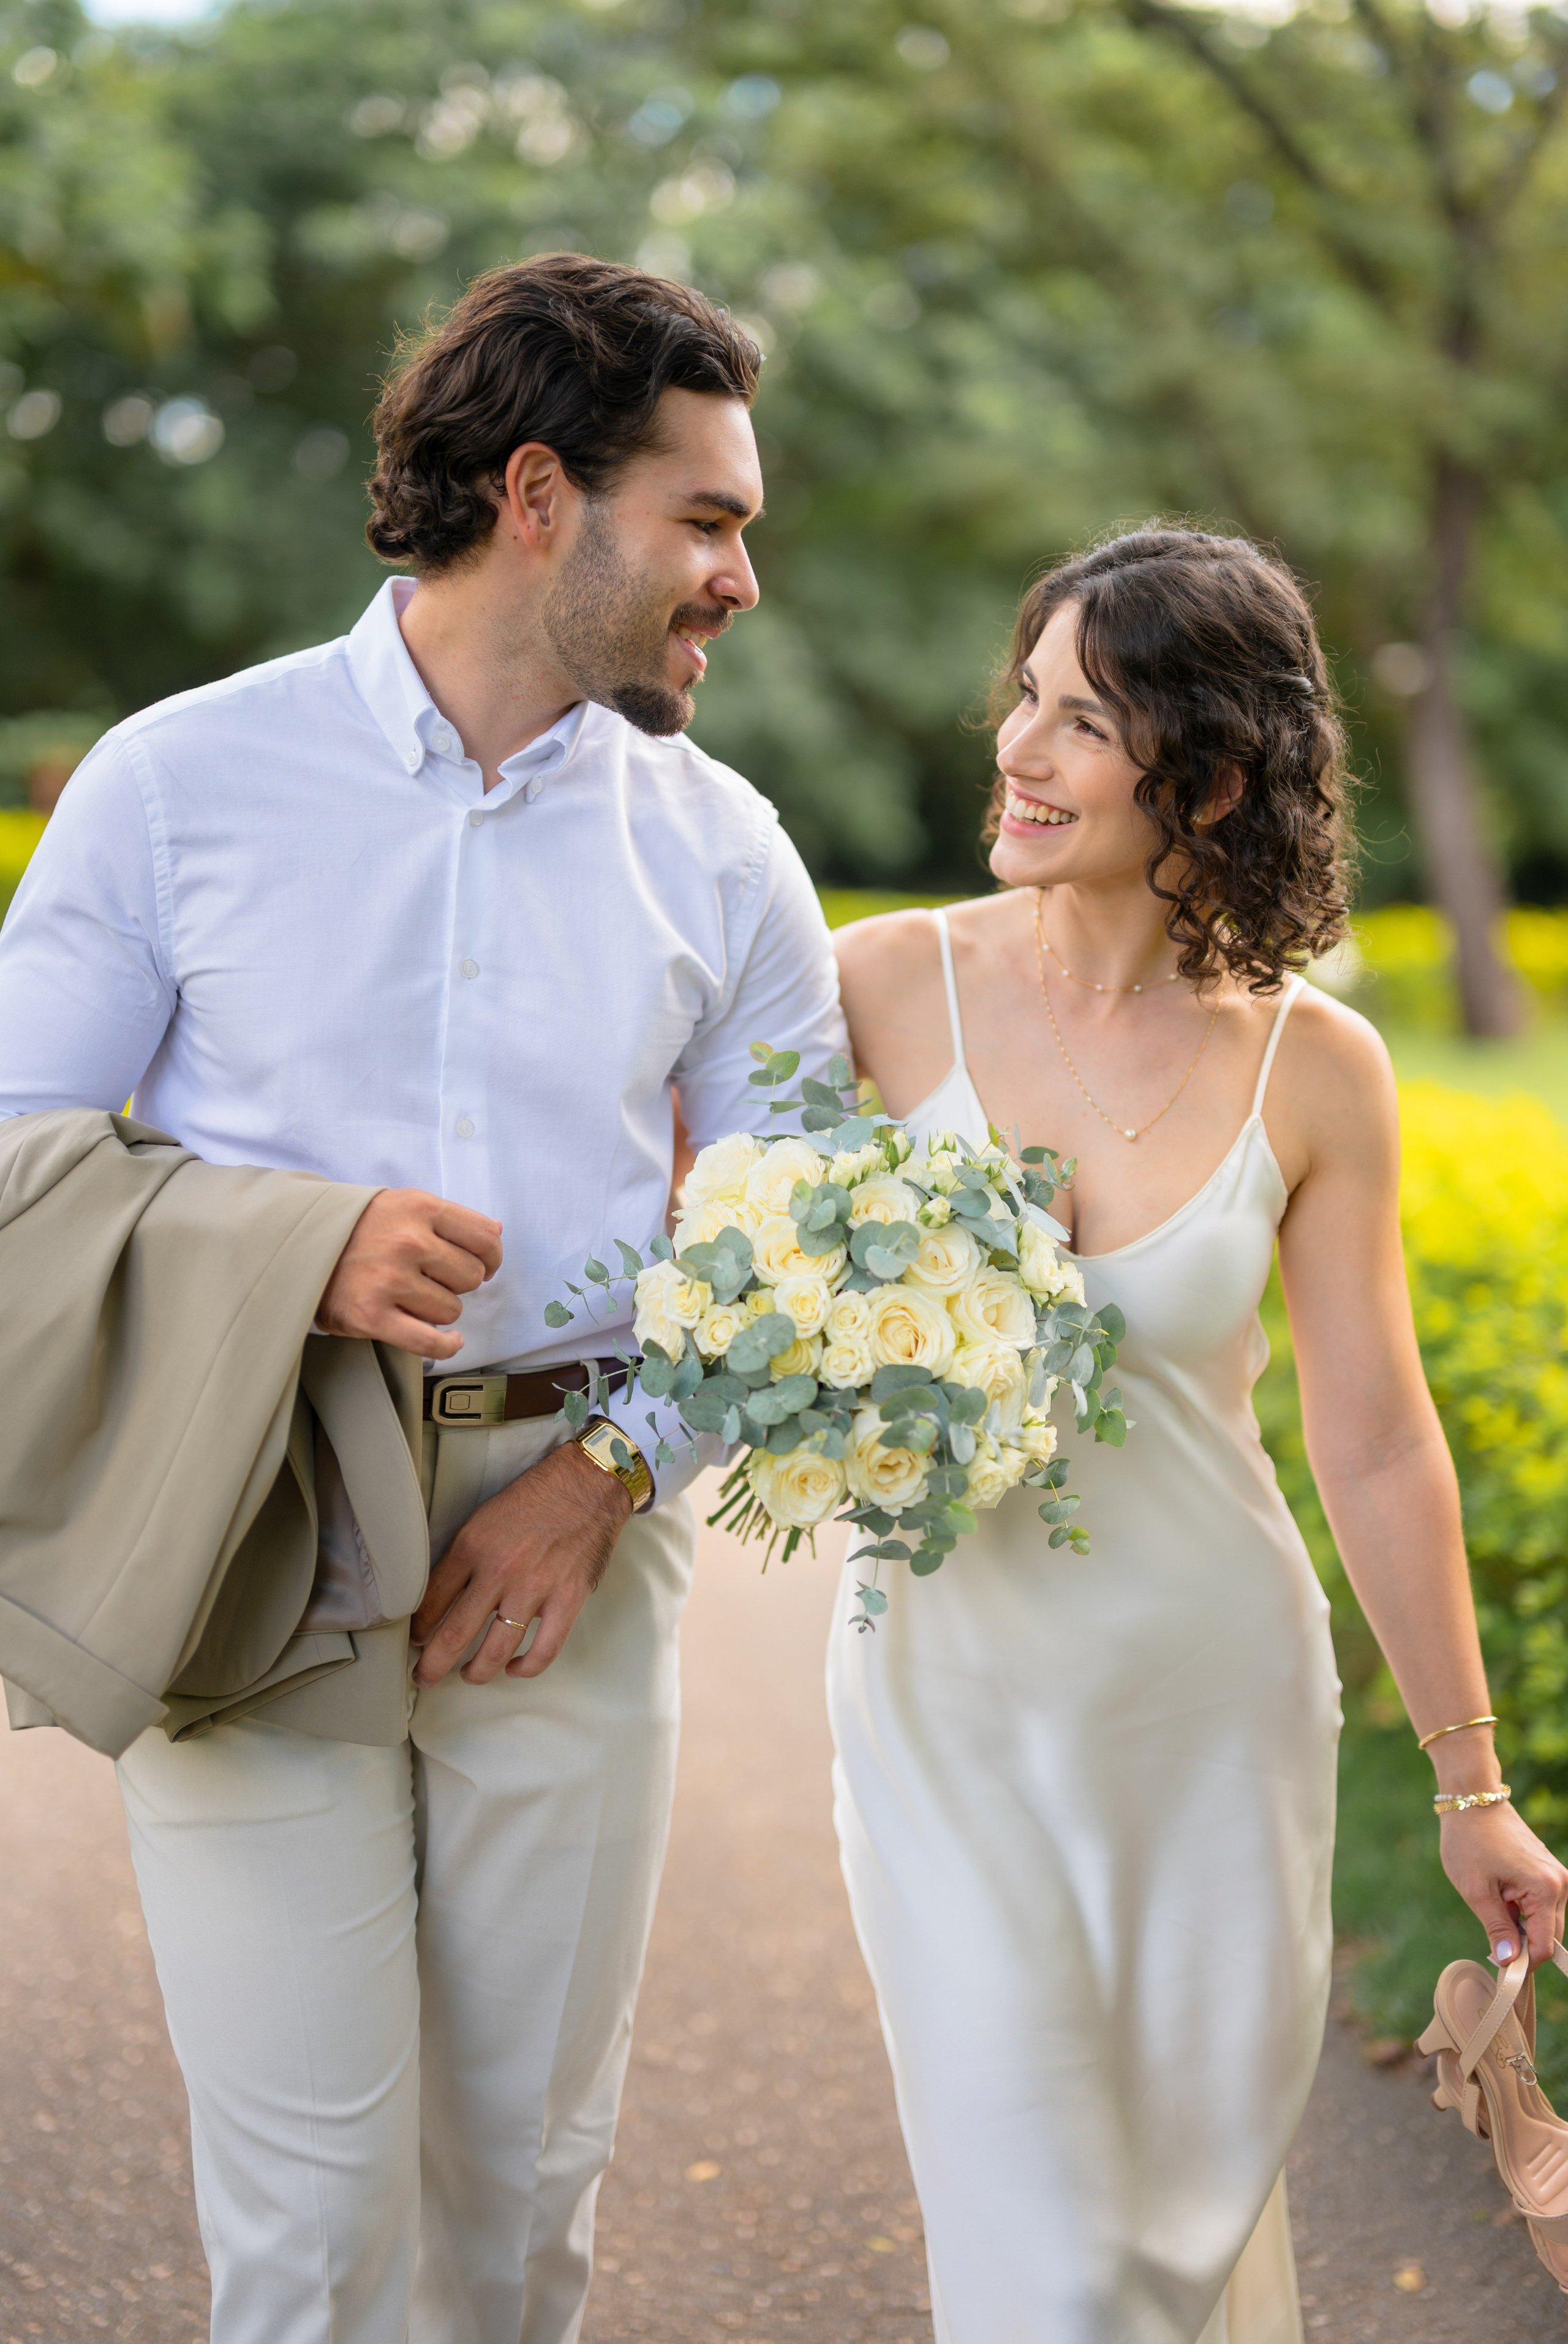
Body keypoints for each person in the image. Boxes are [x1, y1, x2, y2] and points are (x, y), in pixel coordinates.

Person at [0, 255, 844, 2344]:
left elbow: (804, 1225)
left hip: (572, 1533)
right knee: (305, 2218)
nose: (742, 573)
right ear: (539, 492)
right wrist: (294, 1240)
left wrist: (602, 1490)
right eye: (710, 518)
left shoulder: (725, 847)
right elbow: (13, 1148)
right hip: (250, 1513)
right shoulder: (181, 782)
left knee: (524, 2193)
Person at [827, 526, 1568, 2343]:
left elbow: (1378, 1438)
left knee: (1171, 2235)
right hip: (943, 1706)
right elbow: (706, 1269)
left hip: (1213, 1717)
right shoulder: (871, 990)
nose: (1016, 745)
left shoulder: (1314, 1066)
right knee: (1054, 2263)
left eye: (1079, 720)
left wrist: (1473, 1789)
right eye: (1025, 693)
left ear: (1213, 775)